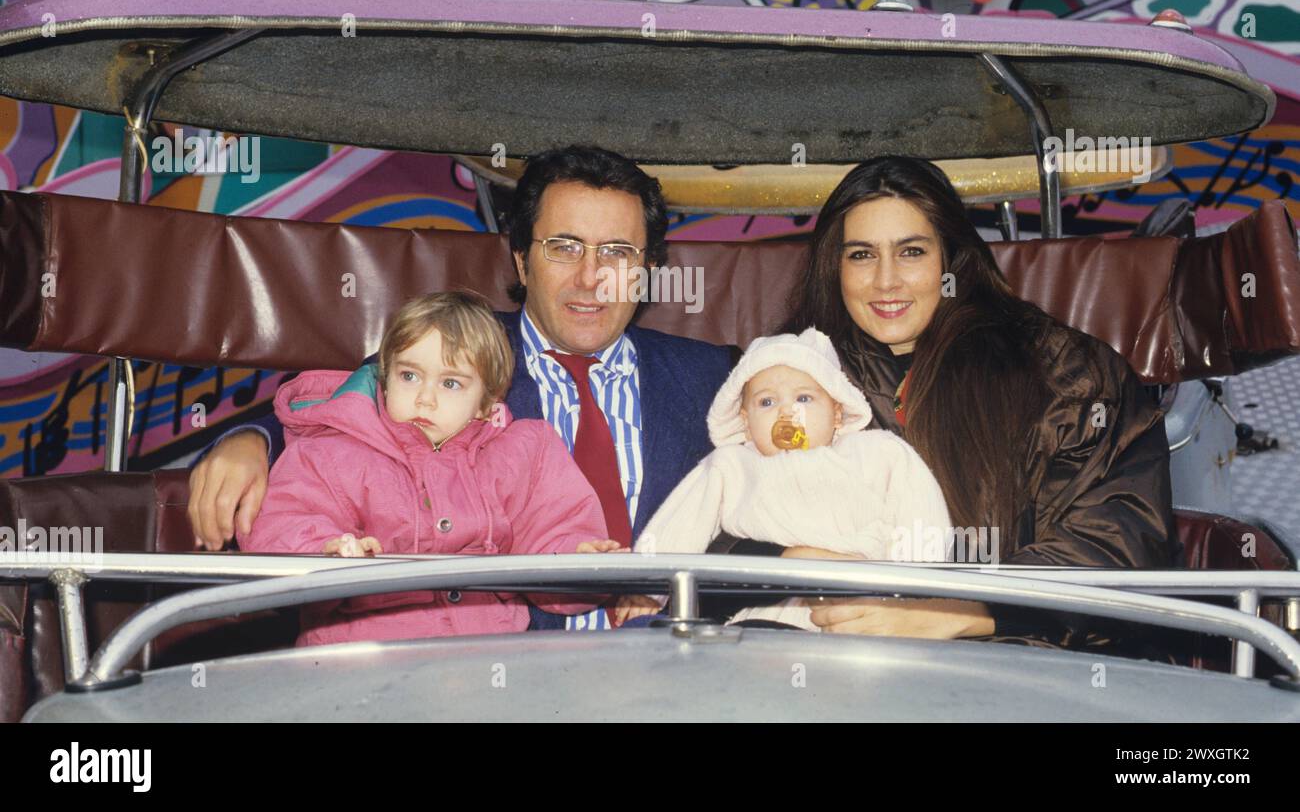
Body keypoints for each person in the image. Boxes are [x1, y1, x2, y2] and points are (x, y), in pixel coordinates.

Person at [187, 145, 734, 631]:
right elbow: (340, 413)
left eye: (617, 252)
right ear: (521, 257)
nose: (591, 277)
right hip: (495, 675)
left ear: (649, 269)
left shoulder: (714, 379)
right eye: (565, 247)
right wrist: (250, 441)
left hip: (679, 670)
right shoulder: (446, 352)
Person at [767, 156, 1179, 647]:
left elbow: (1118, 549)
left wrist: (970, 608)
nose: (886, 281)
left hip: (1028, 678)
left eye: (912, 251)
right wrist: (780, 559)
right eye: (861, 255)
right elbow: (720, 507)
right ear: (833, 268)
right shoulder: (787, 375)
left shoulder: (1067, 376)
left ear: (952, 259)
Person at [241, 291, 613, 645]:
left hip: (486, 666)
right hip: (360, 668)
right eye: (409, 376)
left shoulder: (522, 453)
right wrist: (327, 552)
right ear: (384, 380)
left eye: (450, 383)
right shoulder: (331, 450)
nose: (425, 397)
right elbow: (283, 523)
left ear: (486, 402)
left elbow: (551, 535)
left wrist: (580, 560)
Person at [614, 327, 950, 629]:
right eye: (767, 401)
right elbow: (683, 520)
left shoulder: (878, 452)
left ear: (836, 411)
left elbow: (919, 512)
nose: (787, 412)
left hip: (868, 604)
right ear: (745, 420)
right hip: (766, 610)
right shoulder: (733, 465)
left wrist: (918, 595)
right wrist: (649, 584)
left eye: (804, 398)